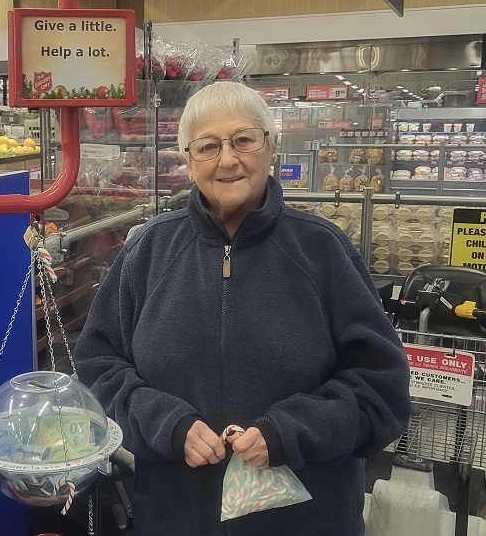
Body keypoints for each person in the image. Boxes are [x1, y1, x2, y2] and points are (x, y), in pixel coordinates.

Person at [74, 81, 410, 536]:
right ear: (189, 164)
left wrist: (288, 433)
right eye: (208, 147)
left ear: (271, 149)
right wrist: (163, 423)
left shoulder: (322, 251)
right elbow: (99, 365)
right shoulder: (149, 251)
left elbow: (381, 392)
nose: (227, 160)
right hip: (175, 516)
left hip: (307, 520)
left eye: (244, 140)